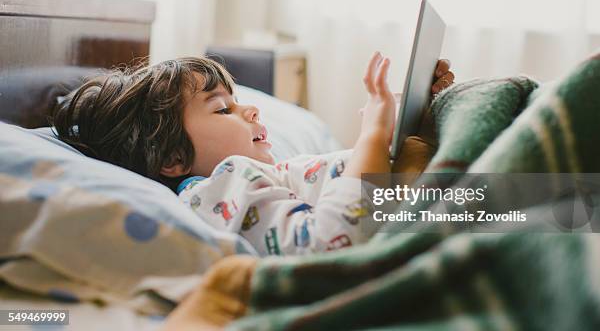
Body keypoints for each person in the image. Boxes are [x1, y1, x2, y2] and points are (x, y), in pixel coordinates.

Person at [52, 52, 454, 256]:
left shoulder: (266, 173)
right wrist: (373, 135)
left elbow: (346, 181)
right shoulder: (219, 188)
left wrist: (411, 119)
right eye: (223, 109)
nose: (251, 110)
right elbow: (330, 242)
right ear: (172, 158)